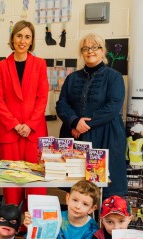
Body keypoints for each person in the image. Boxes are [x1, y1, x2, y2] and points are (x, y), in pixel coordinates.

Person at [56, 33, 127, 199]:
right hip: (75, 137)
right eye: (86, 48)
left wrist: (83, 124)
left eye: (95, 47)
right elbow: (62, 104)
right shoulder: (72, 78)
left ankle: (102, 223)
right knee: (77, 188)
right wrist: (74, 122)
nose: (90, 51)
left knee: (103, 187)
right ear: (82, 52)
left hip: (105, 137)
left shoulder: (114, 77)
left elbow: (113, 106)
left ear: (102, 50)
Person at [0, 20, 49, 208]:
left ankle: (34, 227)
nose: (22, 41)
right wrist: (16, 125)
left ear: (32, 41)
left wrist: (30, 125)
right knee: (11, 182)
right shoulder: (1, 66)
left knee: (35, 182)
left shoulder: (40, 64)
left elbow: (42, 98)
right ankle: (12, 226)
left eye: (27, 37)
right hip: (10, 131)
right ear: (12, 38)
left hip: (34, 131)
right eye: (19, 36)